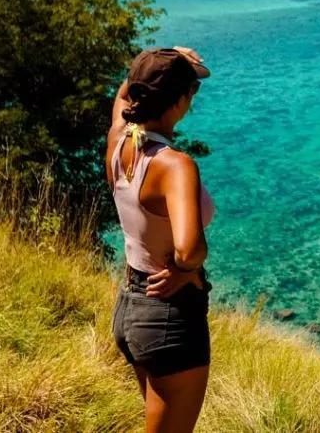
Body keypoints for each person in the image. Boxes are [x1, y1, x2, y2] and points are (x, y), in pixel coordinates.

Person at [107, 46, 215, 433]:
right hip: (170, 317)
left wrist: (154, 56)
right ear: (179, 99)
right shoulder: (174, 165)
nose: (193, 97)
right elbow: (190, 248)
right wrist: (188, 270)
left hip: (131, 310)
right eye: (192, 90)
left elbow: (123, 96)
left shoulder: (119, 143)